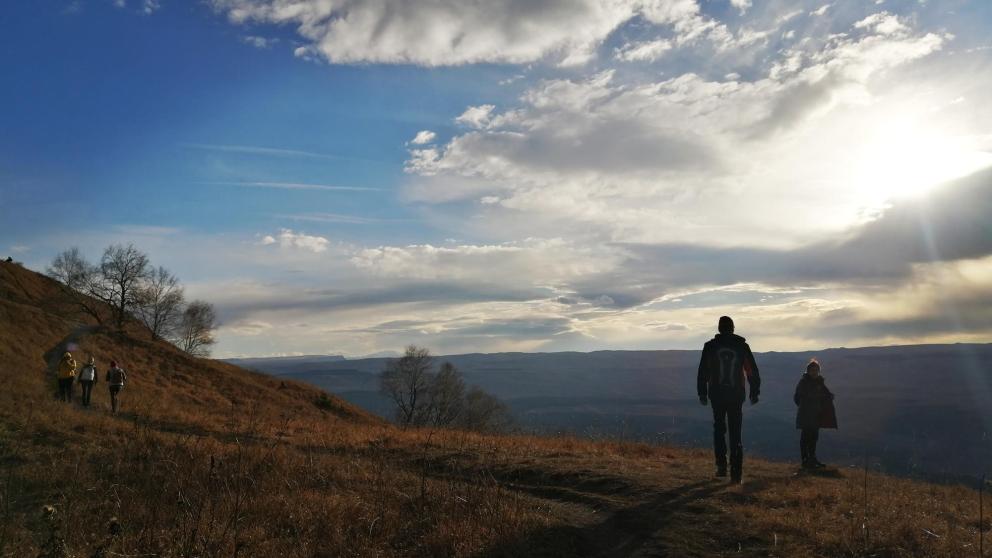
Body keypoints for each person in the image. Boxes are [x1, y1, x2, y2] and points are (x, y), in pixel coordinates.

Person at [697, 316, 761, 483]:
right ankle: (736, 474)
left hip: (716, 394)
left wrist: (702, 393)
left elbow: (703, 371)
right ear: (733, 328)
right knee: (735, 432)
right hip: (736, 394)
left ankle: (721, 466)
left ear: (719, 328)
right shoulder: (741, 346)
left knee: (719, 429)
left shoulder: (710, 346)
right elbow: (751, 370)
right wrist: (754, 392)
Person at [794, 358, 837, 469]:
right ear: (808, 371)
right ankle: (805, 461)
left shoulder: (819, 383)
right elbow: (798, 397)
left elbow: (826, 394)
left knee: (813, 438)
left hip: (816, 415)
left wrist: (829, 397)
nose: (814, 372)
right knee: (806, 438)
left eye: (816, 370)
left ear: (819, 371)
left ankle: (812, 459)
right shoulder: (804, 382)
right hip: (806, 415)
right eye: (812, 370)